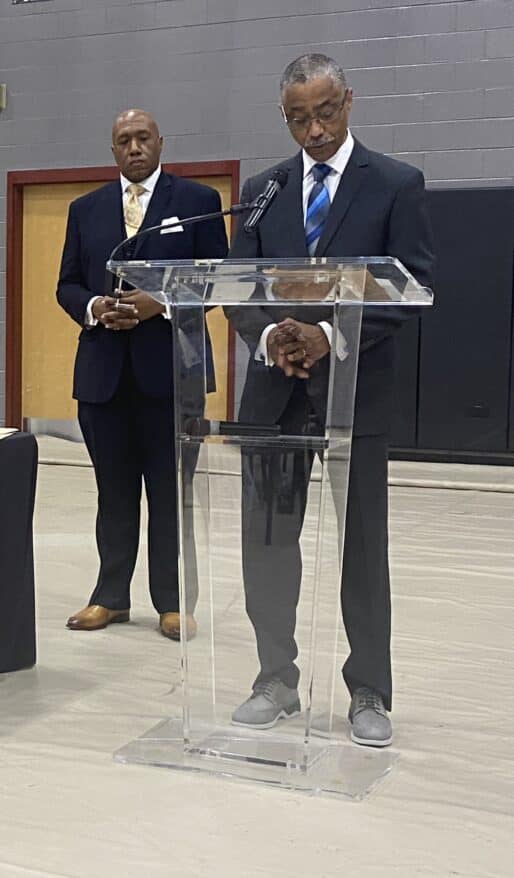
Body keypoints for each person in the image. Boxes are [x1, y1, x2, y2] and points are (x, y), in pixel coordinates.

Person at [226, 54, 435, 747]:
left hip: (356, 396)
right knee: (267, 545)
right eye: (298, 119)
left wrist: (328, 336)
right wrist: (272, 338)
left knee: (362, 549)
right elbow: (237, 285)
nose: (313, 131)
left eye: (324, 113)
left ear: (349, 102)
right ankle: (275, 679)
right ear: (283, 117)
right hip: (274, 396)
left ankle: (369, 689)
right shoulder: (263, 191)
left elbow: (411, 285)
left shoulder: (396, 185)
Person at [57, 109, 229, 639]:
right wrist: (95, 308)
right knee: (113, 491)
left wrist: (163, 301)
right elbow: (67, 285)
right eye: (124, 140)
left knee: (169, 492)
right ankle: (110, 597)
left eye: (142, 138)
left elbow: (218, 278)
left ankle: (172, 602)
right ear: (113, 150)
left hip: (172, 373)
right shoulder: (85, 210)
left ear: (160, 142)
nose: (134, 147)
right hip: (104, 376)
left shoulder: (197, 202)